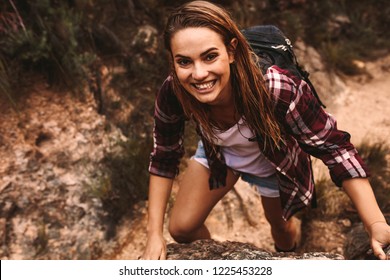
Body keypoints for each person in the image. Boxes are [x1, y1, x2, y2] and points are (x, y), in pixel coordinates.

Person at [142, 0, 390, 260]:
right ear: (172, 61)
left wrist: (374, 223)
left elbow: (334, 148)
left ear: (232, 51)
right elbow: (164, 156)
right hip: (219, 154)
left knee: (281, 231)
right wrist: (154, 235)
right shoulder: (174, 91)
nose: (199, 73)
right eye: (184, 62)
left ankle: (288, 248)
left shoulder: (275, 87)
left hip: (274, 160)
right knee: (181, 228)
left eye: (210, 56)